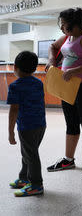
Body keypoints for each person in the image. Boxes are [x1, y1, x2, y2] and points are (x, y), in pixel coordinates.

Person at [46, 8, 82, 176]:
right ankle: (68, 159)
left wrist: (74, 70)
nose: (61, 27)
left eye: (63, 23)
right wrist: (51, 60)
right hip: (69, 87)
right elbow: (52, 46)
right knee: (71, 123)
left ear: (73, 23)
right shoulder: (66, 37)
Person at [7, 51, 46, 197]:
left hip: (26, 126)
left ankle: (36, 184)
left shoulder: (15, 86)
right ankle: (24, 178)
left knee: (31, 154)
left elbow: (13, 111)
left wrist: (10, 132)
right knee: (28, 153)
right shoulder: (38, 83)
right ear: (34, 68)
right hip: (41, 125)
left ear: (15, 67)